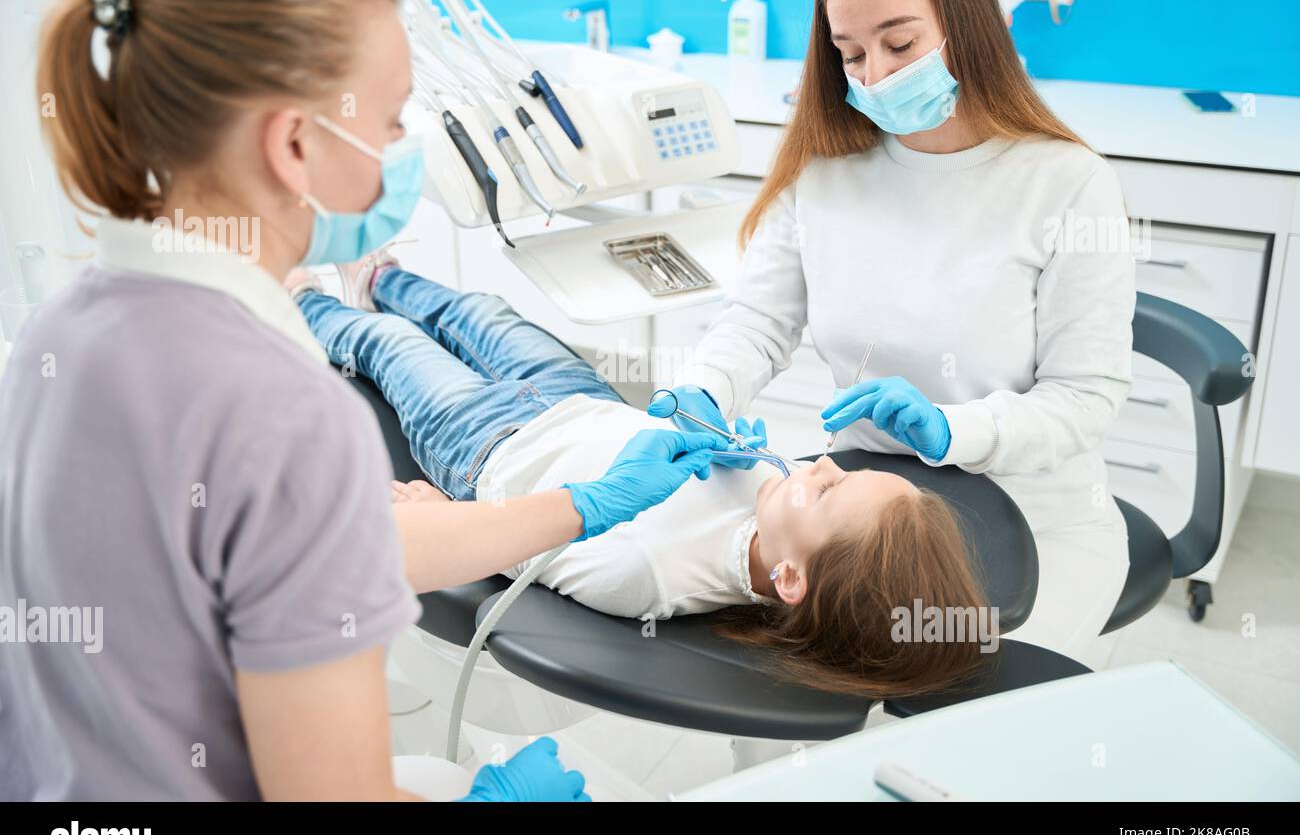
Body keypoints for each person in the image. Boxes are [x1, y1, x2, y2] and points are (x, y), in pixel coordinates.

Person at [0, 0, 727, 802]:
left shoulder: (62, 332)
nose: (400, 147)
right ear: (294, 144)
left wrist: (582, 505)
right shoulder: (283, 410)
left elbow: (305, 551)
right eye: (390, 119)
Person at [664, 0, 1136, 667]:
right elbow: (758, 322)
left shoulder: (1068, 183)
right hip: (860, 513)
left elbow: (1086, 397)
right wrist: (703, 392)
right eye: (851, 55)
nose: (877, 76)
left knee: (968, 725)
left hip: (1032, 518)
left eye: (900, 42)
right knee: (773, 699)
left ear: (967, 26)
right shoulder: (826, 167)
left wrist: (954, 429)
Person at [289, 252, 992, 697]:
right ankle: (379, 275)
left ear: (789, 579)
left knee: (387, 342)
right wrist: (709, 421)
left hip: (483, 444)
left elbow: (520, 551)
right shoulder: (769, 501)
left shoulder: (648, 576)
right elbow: (705, 440)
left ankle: (303, 298)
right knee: (479, 312)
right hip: (575, 394)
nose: (827, 462)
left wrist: (444, 514)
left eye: (831, 489)